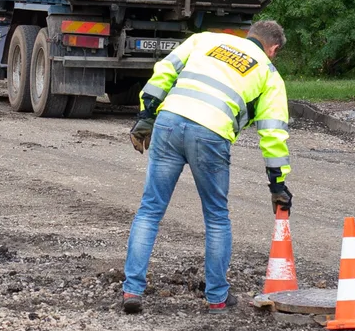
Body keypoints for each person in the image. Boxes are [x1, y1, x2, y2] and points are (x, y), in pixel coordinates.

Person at [121, 19, 292, 314]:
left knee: (150, 210)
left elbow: (164, 70)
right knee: (216, 218)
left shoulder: (206, 39)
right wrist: (277, 184)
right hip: (210, 134)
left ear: (248, 35)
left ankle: (131, 290)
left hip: (169, 122)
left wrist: (146, 116)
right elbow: (273, 132)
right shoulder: (268, 72)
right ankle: (216, 297)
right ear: (273, 48)